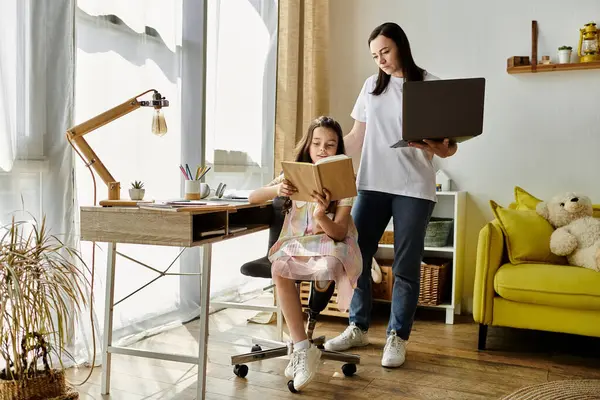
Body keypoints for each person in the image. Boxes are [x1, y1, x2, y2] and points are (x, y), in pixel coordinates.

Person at [323, 22, 458, 368]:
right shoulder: (371, 87)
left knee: (406, 265)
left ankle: (397, 337)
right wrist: (323, 154)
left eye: (385, 51)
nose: (380, 60)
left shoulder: (430, 86)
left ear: (400, 46)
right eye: (374, 55)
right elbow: (355, 138)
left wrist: (435, 145)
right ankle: (358, 326)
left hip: (414, 188)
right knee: (356, 254)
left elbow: (449, 149)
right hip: (371, 184)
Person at [248, 115, 362, 390]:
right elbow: (253, 197)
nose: (323, 149)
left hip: (332, 243)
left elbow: (338, 232)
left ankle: (318, 293)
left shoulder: (345, 183)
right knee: (279, 268)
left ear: (338, 150)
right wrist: (278, 188)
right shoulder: (293, 175)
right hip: (294, 243)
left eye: (331, 145)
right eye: (317, 143)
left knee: (325, 267)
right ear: (308, 146)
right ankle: (302, 347)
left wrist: (322, 215)